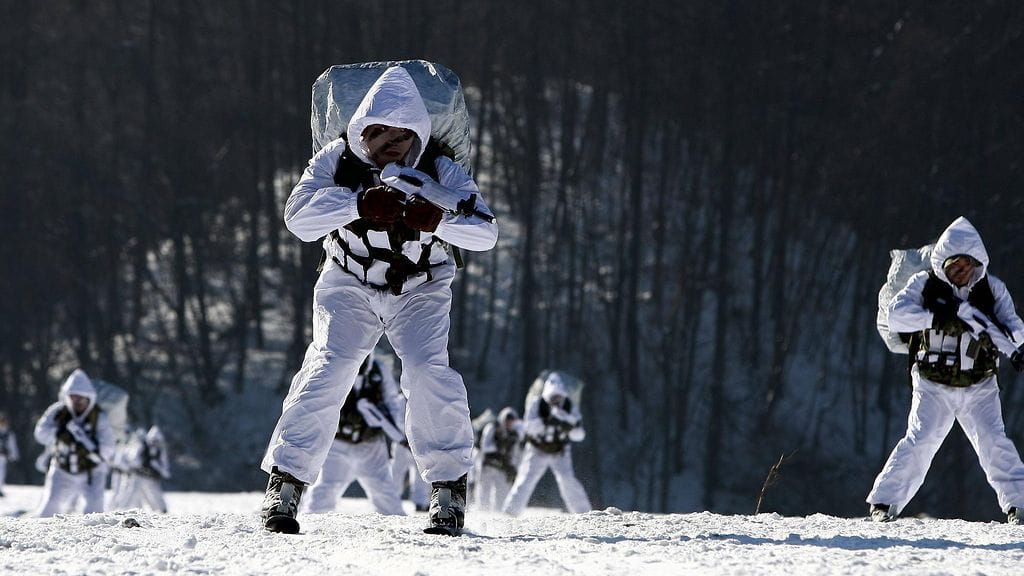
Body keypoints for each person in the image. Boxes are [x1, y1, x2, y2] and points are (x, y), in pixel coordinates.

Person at [260, 64, 498, 536]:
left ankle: (447, 490)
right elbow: (297, 219)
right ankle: (285, 484)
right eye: (379, 134)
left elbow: (485, 233)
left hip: (422, 286)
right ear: (360, 129)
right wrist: (356, 204)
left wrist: (439, 220)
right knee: (331, 365)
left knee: (429, 372)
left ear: (419, 135)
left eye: (402, 137)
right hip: (347, 281)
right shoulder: (336, 162)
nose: (391, 146)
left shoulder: (439, 169)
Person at [867, 216, 1024, 524]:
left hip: (979, 385)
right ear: (943, 264)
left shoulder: (992, 290)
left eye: (967, 266)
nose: (961, 272)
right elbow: (897, 316)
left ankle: (1019, 505)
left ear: (977, 264)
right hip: (932, 383)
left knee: (994, 442)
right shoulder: (924, 284)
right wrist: (935, 317)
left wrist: (1017, 348)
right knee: (921, 439)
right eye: (955, 266)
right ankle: (884, 504)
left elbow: (1010, 327)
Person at [304, 354, 405, 515]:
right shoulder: (333, 363)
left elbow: (391, 402)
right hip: (337, 441)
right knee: (324, 492)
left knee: (385, 493)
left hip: (371, 443)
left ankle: (399, 535)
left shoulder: (379, 370)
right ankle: (310, 529)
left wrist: (402, 431)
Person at [502, 373, 592, 516]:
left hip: (560, 451)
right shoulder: (537, 405)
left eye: (558, 397)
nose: (556, 400)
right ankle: (510, 512)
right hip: (537, 449)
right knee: (525, 479)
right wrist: (545, 421)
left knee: (568, 480)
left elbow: (579, 434)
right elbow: (528, 428)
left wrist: (565, 425)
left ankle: (584, 513)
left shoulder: (569, 406)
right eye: (553, 397)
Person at [34, 369, 115, 517]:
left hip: (92, 471)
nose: (77, 402)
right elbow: (40, 433)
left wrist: (86, 442)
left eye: (81, 399)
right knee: (49, 508)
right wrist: (59, 433)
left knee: (95, 511)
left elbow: (108, 449)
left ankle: (95, 539)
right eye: (73, 398)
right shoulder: (57, 412)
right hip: (62, 469)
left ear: (89, 398)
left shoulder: (99, 417)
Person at [475, 407, 524, 512]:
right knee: (484, 491)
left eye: (511, 421)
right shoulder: (492, 428)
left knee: (502, 493)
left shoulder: (514, 435)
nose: (509, 423)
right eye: (507, 420)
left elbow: (516, 454)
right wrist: (498, 447)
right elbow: (485, 446)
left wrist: (515, 468)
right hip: (488, 465)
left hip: (501, 468)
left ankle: (498, 514)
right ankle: (482, 513)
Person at [0, 412, 19, 497]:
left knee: (1, 473)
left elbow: (12, 445)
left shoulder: (9, 434)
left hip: (3, 457)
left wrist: (14, 456)